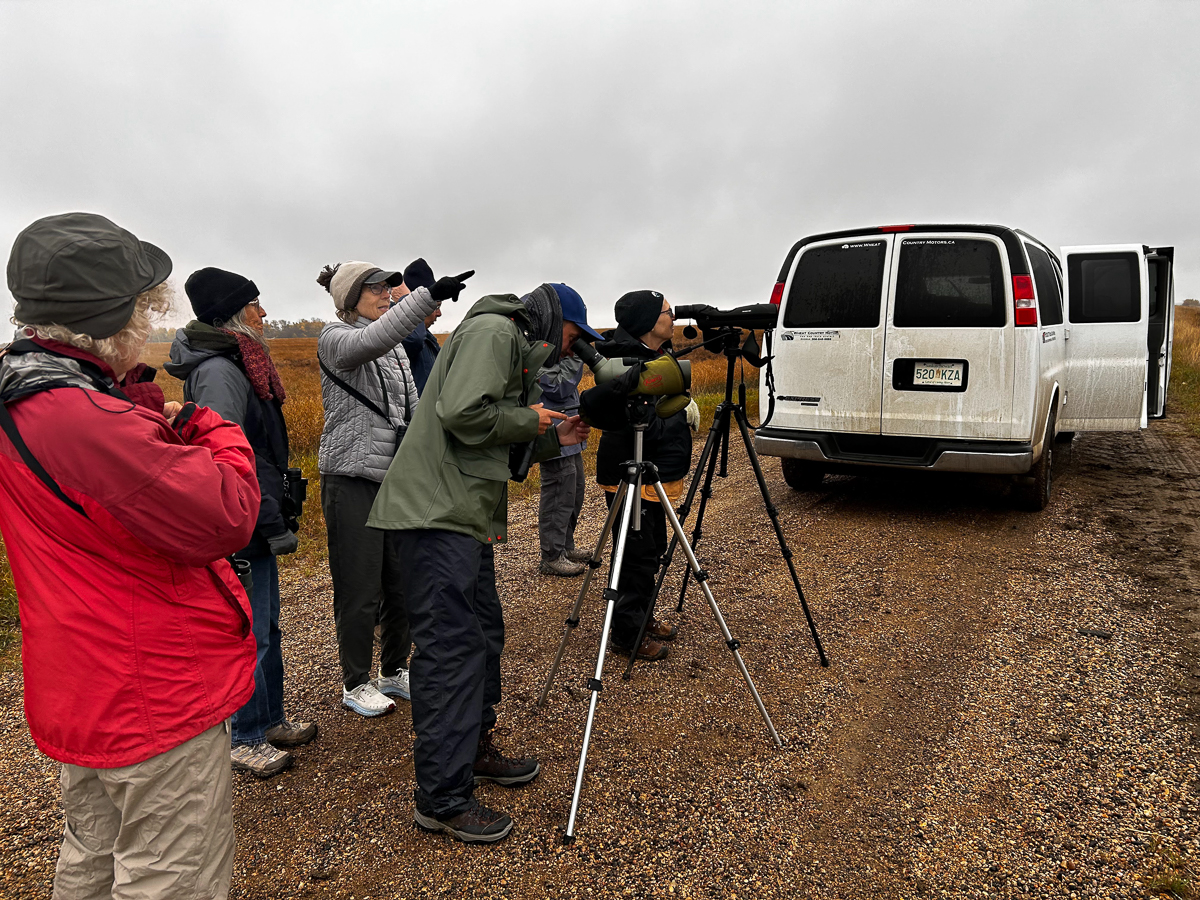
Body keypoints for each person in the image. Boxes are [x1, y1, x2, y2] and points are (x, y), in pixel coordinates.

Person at [0, 212, 259, 898]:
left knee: (93, 855)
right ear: (114, 317)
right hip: (151, 696)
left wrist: (126, 407)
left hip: (81, 684)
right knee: (172, 875)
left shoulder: (23, 389)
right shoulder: (88, 421)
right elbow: (229, 513)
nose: (148, 325)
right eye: (144, 310)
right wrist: (210, 427)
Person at [367, 283, 600, 844]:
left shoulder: (510, 343)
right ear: (553, 320)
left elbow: (483, 437)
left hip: (462, 517)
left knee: (483, 635)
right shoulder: (496, 331)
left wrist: (551, 434)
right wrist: (532, 420)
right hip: (434, 515)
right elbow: (462, 412)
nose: (573, 350)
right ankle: (441, 799)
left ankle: (471, 751)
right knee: (451, 650)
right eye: (574, 337)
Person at [165, 267, 316, 778]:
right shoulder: (220, 371)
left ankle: (269, 720)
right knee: (250, 630)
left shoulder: (237, 361)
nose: (266, 313)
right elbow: (227, 456)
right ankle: (245, 738)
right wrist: (265, 517)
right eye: (256, 305)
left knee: (267, 624)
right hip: (243, 517)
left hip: (256, 511)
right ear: (233, 314)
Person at [316, 259, 456, 717]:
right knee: (359, 588)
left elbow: (412, 411)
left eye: (386, 286)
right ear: (348, 299)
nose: (385, 292)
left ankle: (394, 671)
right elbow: (372, 339)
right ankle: (355, 682)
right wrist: (426, 298)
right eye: (373, 288)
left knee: (400, 582)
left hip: (392, 478)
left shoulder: (394, 348)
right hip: (351, 477)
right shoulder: (336, 339)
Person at [584, 290, 700, 662]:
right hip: (632, 472)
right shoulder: (625, 363)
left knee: (649, 548)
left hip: (656, 470)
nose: (673, 318)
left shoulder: (655, 356)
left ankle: (642, 616)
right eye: (669, 312)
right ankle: (627, 633)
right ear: (650, 321)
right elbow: (623, 416)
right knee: (634, 554)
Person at [534, 285, 591, 577]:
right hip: (552, 429)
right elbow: (557, 385)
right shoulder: (540, 353)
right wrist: (574, 357)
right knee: (558, 492)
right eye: (572, 339)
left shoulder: (563, 355)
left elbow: (559, 383)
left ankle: (566, 545)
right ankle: (552, 555)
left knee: (575, 491)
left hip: (569, 427)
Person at [398, 258, 442, 395]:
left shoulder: (429, 338)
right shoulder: (400, 333)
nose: (439, 314)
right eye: (435, 306)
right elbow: (414, 340)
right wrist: (409, 302)